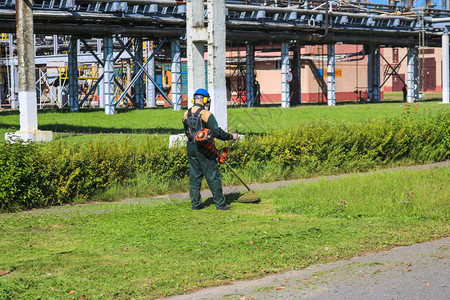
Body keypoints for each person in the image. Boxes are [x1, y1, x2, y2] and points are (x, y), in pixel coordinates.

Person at [182, 88, 238, 210]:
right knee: (213, 175)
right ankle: (220, 204)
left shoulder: (186, 114)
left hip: (191, 147)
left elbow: (187, 132)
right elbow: (217, 132)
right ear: (205, 100)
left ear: (194, 99)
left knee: (195, 176)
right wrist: (231, 137)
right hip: (205, 149)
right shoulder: (207, 114)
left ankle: (196, 204)